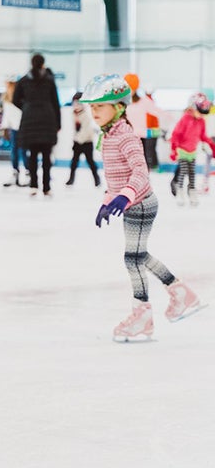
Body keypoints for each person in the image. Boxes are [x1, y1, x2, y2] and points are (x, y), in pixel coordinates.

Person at [81, 73, 202, 342]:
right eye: (92, 107)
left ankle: (143, 314)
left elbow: (140, 171)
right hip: (132, 203)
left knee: (132, 259)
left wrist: (124, 196)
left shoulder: (125, 135)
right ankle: (179, 292)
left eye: (100, 106)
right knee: (139, 255)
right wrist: (107, 200)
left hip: (142, 204)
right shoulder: (108, 135)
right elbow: (116, 174)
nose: (94, 111)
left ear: (119, 106)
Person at [13, 53, 60, 197]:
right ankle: (46, 187)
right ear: (43, 64)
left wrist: (27, 106)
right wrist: (58, 123)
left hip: (30, 120)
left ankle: (33, 185)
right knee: (47, 156)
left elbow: (15, 100)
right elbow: (55, 103)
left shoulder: (23, 80)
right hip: (48, 119)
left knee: (32, 155)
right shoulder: (49, 80)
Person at [168, 93, 215, 207]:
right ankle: (180, 191)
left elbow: (203, 136)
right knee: (183, 172)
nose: (201, 116)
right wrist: (174, 150)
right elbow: (176, 134)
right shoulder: (185, 119)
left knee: (192, 174)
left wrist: (212, 146)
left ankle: (192, 191)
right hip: (182, 151)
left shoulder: (201, 121)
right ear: (193, 108)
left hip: (192, 152)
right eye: (200, 112)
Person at [123, 73, 167, 170]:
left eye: (132, 88)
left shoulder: (144, 101)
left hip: (143, 134)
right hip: (128, 136)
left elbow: (158, 113)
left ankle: (150, 169)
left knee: (145, 156)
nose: (130, 91)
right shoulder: (122, 102)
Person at [65, 91, 101, 187]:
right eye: (75, 103)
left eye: (79, 103)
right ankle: (71, 179)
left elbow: (86, 130)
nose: (77, 105)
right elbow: (75, 129)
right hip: (77, 142)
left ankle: (97, 179)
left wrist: (78, 140)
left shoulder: (86, 115)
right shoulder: (74, 114)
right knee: (74, 162)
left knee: (90, 162)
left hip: (86, 142)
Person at [0, 76, 25, 187]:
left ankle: (28, 173)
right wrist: (4, 128)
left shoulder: (21, 97)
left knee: (24, 152)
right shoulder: (5, 98)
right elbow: (7, 115)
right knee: (14, 151)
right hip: (14, 128)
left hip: (23, 128)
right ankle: (15, 173)